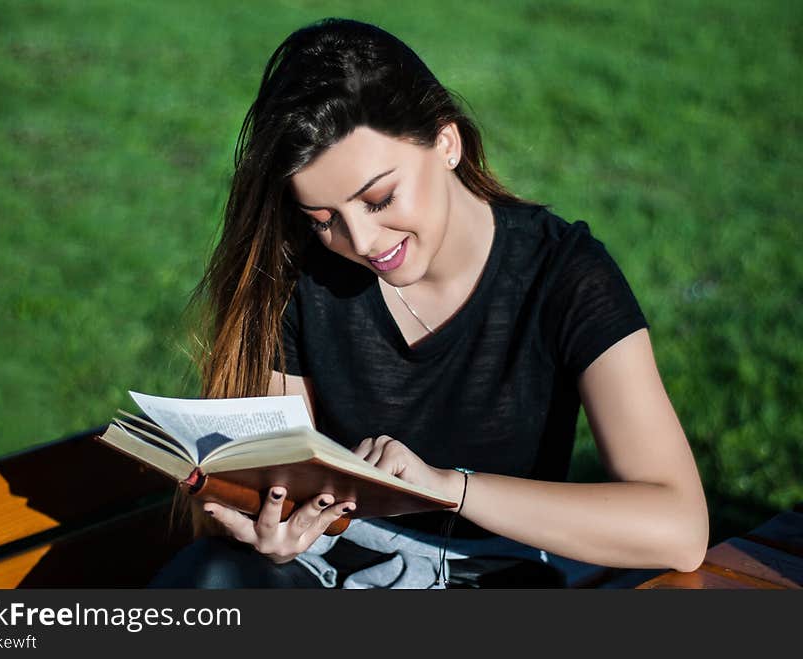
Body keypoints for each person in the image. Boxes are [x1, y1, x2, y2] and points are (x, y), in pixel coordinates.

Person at [149, 17, 709, 589]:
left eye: (379, 198)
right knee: (211, 577)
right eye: (323, 220)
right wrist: (273, 525)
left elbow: (679, 527)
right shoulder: (301, 277)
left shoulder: (562, 274)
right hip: (330, 571)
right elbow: (277, 480)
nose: (362, 244)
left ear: (446, 142)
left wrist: (447, 488)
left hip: (491, 579)